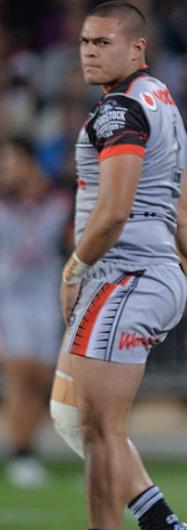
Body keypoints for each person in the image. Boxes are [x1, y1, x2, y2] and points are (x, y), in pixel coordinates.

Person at [33, 2, 187, 530]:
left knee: (100, 427)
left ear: (137, 48)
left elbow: (116, 211)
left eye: (102, 41)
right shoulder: (160, 102)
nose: (89, 51)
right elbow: (179, 206)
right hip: (144, 275)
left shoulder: (120, 110)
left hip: (126, 276)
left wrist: (73, 267)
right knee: (77, 417)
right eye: (84, 42)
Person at [0, 139, 71, 488]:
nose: (5, 170)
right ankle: (20, 453)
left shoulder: (58, 202)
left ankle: (29, 449)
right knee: (19, 375)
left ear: (29, 164)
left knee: (41, 380)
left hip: (45, 298)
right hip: (9, 300)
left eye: (10, 162)